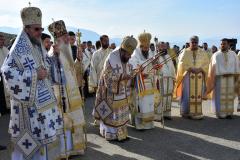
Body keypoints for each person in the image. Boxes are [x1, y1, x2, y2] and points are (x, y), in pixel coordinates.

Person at [1, 6, 63, 160]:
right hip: (27, 106)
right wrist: (34, 74)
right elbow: (7, 72)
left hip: (42, 104)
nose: (39, 32)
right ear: (26, 28)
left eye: (41, 29)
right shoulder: (17, 49)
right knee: (29, 145)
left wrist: (53, 55)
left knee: (42, 142)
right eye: (36, 29)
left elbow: (45, 66)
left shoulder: (37, 45)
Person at [48, 20, 86, 158]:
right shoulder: (54, 53)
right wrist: (55, 57)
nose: (66, 39)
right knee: (66, 123)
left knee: (74, 121)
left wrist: (78, 62)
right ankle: (66, 150)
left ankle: (76, 148)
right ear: (57, 38)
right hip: (62, 96)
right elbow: (53, 77)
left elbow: (71, 71)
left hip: (72, 93)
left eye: (66, 36)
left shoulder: (66, 50)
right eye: (63, 37)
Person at [93, 36, 137, 141]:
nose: (129, 57)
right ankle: (111, 134)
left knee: (122, 112)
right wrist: (122, 77)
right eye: (128, 54)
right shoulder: (112, 57)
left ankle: (122, 134)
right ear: (122, 51)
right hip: (110, 90)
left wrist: (133, 73)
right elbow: (107, 75)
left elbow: (129, 69)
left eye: (131, 55)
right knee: (112, 113)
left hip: (122, 90)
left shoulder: (125, 57)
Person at [174, 36, 209, 119]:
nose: (194, 44)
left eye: (195, 42)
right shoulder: (185, 52)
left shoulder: (202, 52)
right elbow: (180, 64)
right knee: (186, 93)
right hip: (187, 77)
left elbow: (206, 64)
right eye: (192, 42)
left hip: (199, 76)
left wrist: (200, 69)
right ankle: (185, 112)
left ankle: (197, 112)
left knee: (198, 94)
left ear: (198, 43)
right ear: (189, 43)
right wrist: (189, 68)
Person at [206, 39, 240, 119]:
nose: (222, 45)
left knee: (229, 96)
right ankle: (220, 112)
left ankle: (228, 112)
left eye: (224, 44)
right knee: (220, 96)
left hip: (230, 78)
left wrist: (236, 76)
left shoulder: (233, 54)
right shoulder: (216, 55)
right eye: (221, 44)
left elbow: (237, 66)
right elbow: (212, 68)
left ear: (228, 45)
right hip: (219, 79)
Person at [129, 31, 156, 130]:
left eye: (147, 48)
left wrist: (154, 68)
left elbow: (152, 66)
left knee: (149, 104)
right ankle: (139, 124)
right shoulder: (134, 54)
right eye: (144, 48)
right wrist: (141, 72)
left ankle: (149, 123)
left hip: (149, 82)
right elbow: (133, 67)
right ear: (140, 46)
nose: (146, 49)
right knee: (139, 104)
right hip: (139, 83)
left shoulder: (150, 53)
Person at [154, 42, 176, 121]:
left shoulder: (168, 56)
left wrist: (173, 77)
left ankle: (167, 114)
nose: (163, 49)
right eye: (161, 47)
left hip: (169, 79)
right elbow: (153, 69)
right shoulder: (155, 57)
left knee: (168, 96)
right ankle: (158, 115)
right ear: (158, 48)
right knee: (160, 97)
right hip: (160, 79)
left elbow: (172, 68)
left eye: (164, 47)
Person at [0, 34, 10, 115]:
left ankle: (8, 108)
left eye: (3, 40)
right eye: (0, 40)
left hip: (7, 76)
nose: (2, 42)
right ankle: (2, 110)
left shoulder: (6, 49)